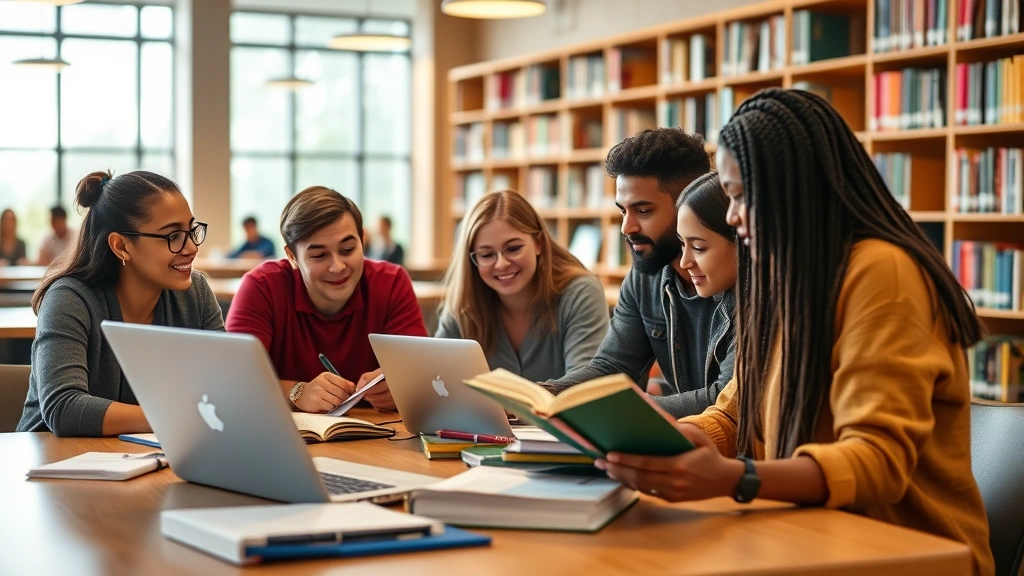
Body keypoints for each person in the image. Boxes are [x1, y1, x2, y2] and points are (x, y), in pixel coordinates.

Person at [596, 89, 995, 576]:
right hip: (811, 538)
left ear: (792, 189)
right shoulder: (784, 278)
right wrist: (678, 440)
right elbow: (734, 413)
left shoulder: (881, 274)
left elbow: (876, 462)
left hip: (906, 552)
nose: (733, 216)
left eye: (740, 196)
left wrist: (734, 477)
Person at [17, 170, 224, 437]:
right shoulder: (69, 299)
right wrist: (182, 417)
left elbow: (224, 388)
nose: (192, 248)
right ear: (121, 246)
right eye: (173, 236)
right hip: (52, 461)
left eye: (191, 230)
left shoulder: (195, 293)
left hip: (147, 457)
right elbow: (64, 408)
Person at [547, 128, 722, 418]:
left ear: (690, 204)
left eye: (643, 211)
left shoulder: (744, 284)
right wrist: (542, 395)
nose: (626, 228)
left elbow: (727, 398)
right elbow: (611, 368)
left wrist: (624, 408)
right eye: (622, 211)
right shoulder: (645, 275)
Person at [225, 186, 427, 413]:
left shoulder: (392, 283)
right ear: (292, 256)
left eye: (348, 249)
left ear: (362, 241)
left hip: (379, 439)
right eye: (319, 255)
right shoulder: (262, 287)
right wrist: (296, 392)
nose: (338, 266)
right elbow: (232, 383)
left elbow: (423, 377)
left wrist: (404, 389)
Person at [436, 190, 608, 382]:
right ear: (473, 260)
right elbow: (435, 376)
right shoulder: (464, 303)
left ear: (539, 243)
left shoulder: (580, 293)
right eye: (486, 255)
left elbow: (585, 387)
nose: (501, 264)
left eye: (513, 249)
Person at [656, 172, 736, 418]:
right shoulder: (722, 294)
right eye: (682, 244)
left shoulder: (761, 308)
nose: (685, 261)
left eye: (699, 247)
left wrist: (643, 406)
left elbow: (725, 398)